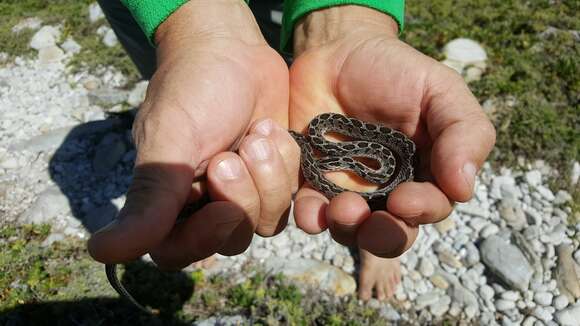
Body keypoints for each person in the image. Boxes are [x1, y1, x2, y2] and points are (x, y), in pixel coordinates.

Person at [88, 0, 496, 301]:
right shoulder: (319, 136)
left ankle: (378, 227)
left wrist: (346, 24)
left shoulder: (329, 139)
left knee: (380, 207)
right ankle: (190, 207)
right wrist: (196, 29)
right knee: (181, 76)